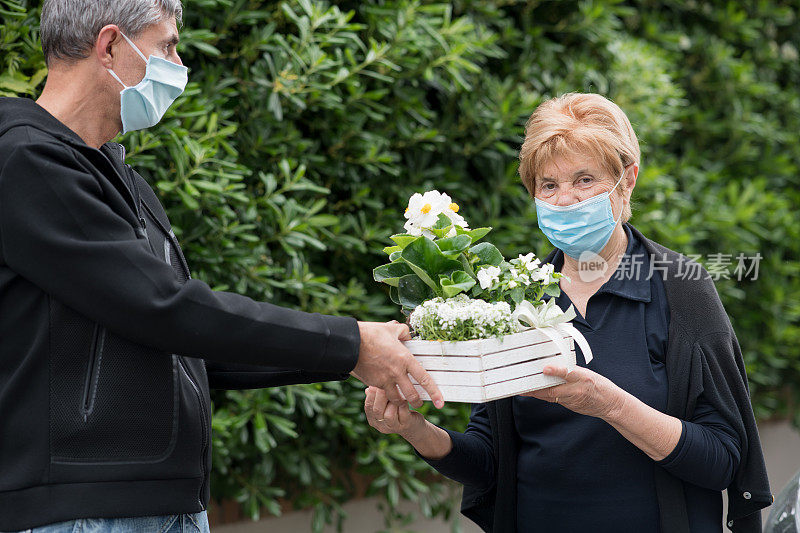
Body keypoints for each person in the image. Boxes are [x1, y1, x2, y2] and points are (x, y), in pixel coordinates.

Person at [0, 1, 444, 531]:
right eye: (167, 45)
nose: (179, 63)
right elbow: (165, 309)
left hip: (151, 505)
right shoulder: (26, 161)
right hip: (82, 509)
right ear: (111, 45)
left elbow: (185, 338)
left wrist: (352, 355)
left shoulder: (119, 182)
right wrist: (349, 342)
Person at [364, 93, 772, 532]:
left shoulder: (681, 287)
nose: (564, 201)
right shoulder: (515, 298)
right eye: (549, 185)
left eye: (584, 180)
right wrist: (416, 431)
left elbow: (725, 460)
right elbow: (491, 461)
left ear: (627, 179)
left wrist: (610, 405)